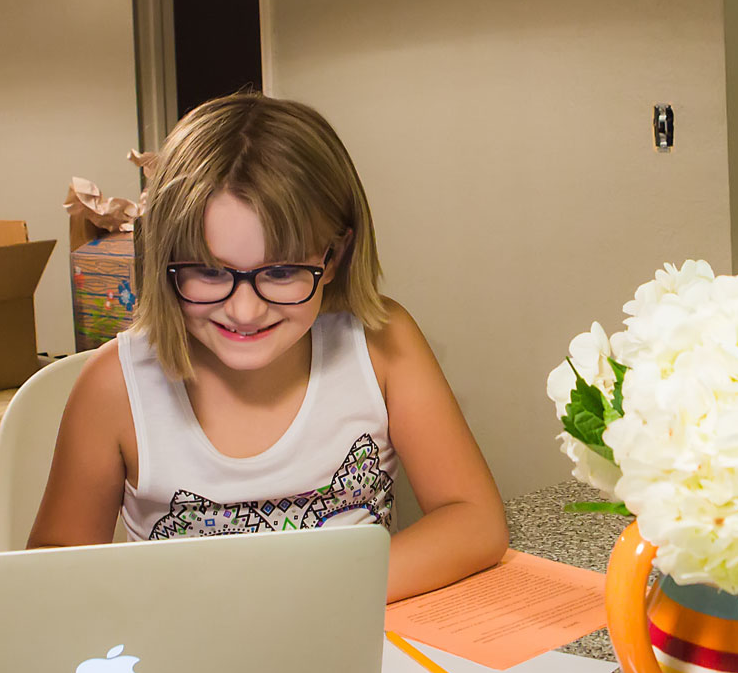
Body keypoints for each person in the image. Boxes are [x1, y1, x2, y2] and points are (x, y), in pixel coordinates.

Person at [29, 92, 509, 602]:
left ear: (338, 251)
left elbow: (474, 520)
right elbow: (52, 577)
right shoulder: (114, 389)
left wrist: (305, 598)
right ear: (164, 259)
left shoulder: (382, 343)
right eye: (210, 272)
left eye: (281, 271)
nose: (244, 311)